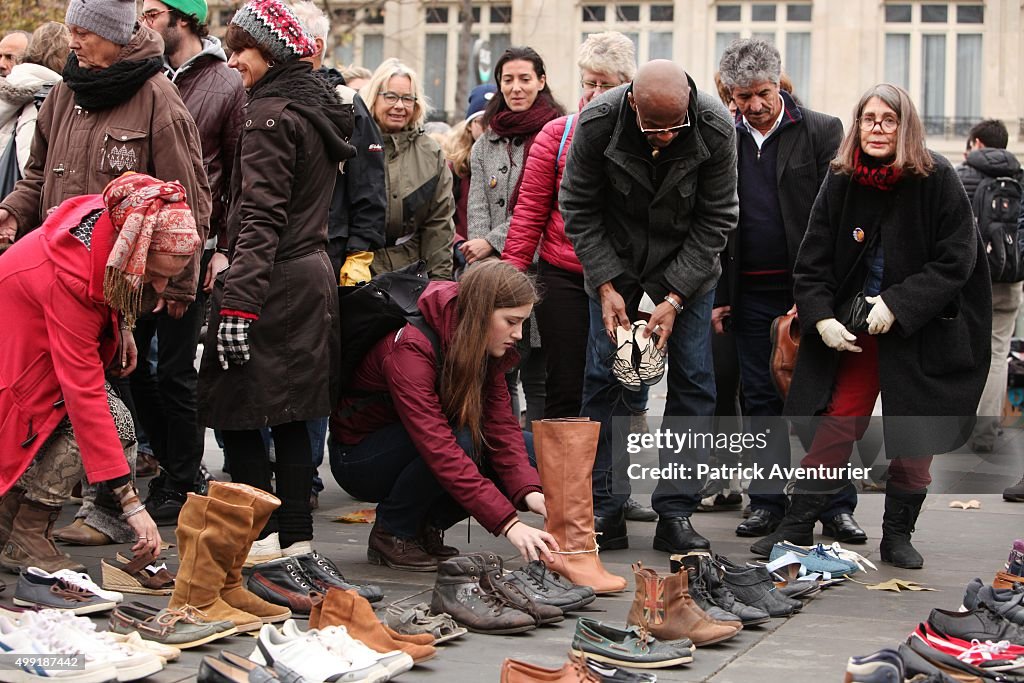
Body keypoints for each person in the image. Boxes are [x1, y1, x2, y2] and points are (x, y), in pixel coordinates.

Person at [753, 83, 991, 569]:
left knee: (914, 439)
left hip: (921, 329)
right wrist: (820, 318)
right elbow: (812, 259)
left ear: (906, 126)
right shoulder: (842, 177)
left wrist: (899, 305)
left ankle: (897, 536)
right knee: (839, 421)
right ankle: (796, 526)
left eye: (888, 119)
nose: (877, 129)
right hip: (857, 328)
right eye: (868, 119)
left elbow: (957, 259)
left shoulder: (937, 175)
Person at [197, 0, 354, 584]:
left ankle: (261, 543)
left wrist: (237, 301)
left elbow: (260, 217)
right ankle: (295, 546)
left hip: (268, 275)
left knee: (234, 409)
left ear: (274, 51)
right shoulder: (314, 106)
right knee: (292, 414)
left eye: (242, 48)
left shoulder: (267, 115)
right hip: (308, 275)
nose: (232, 59)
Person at [561, 60, 738, 553]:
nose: (662, 137)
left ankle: (676, 513)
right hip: (613, 260)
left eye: (673, 127)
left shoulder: (715, 127)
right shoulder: (598, 121)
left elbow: (718, 217)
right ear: (631, 103)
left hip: (689, 265)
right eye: (651, 127)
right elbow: (577, 204)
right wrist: (605, 285)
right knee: (604, 378)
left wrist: (677, 295)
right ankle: (604, 510)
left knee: (695, 382)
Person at [0, 172, 200, 572]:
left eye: (169, 278)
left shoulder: (115, 224)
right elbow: (85, 394)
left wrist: (122, 325)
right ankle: (27, 531)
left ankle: (13, 522)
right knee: (113, 422)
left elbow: (107, 283)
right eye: (154, 275)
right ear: (135, 254)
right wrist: (131, 504)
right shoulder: (69, 279)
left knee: (106, 422)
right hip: (19, 366)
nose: (160, 288)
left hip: (36, 353)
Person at [715, 39, 866, 545]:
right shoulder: (722, 135)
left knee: (821, 402)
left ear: (779, 82)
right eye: (742, 96)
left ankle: (836, 507)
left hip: (812, 292)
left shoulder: (823, 131)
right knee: (760, 400)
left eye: (762, 93)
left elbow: (837, 218)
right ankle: (767, 502)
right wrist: (718, 294)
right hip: (748, 294)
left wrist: (815, 294)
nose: (753, 106)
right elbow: (713, 221)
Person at [500, 31, 655, 522]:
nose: (592, 95)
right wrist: (510, 279)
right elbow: (529, 212)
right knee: (567, 385)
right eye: (587, 83)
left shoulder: (652, 138)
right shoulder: (558, 134)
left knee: (625, 386)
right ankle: (568, 498)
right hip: (566, 275)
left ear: (628, 89)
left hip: (628, 280)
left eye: (604, 85)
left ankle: (613, 493)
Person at [329, 260, 556, 571]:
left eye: (523, 323)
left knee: (530, 451)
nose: (518, 334)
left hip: (421, 443)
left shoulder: (482, 341)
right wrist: (509, 523)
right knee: (463, 439)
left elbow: (504, 430)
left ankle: (424, 526)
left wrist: (530, 492)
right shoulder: (411, 346)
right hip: (360, 459)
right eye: (511, 321)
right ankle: (392, 532)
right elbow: (438, 446)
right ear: (480, 313)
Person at [0, 0, 211, 300]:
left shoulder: (157, 96)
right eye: (71, 31)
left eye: (83, 33)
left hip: (128, 291)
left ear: (114, 33)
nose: (72, 43)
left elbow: (186, 197)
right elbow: (38, 176)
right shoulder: (63, 93)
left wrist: (177, 286)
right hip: (59, 277)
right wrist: (13, 211)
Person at [129, 0, 245, 526]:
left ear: (183, 18)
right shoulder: (141, 75)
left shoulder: (225, 83)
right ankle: (173, 463)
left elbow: (240, 177)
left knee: (177, 372)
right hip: (136, 249)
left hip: (191, 249)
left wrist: (223, 247)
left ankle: (181, 478)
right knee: (127, 366)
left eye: (152, 12)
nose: (142, 22)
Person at [290, 0, 387, 511]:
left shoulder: (347, 101)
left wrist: (360, 254)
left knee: (312, 370)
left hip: (329, 256)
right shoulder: (263, 97)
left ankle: (302, 477)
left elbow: (371, 189)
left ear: (315, 46)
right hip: (276, 256)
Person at [466, 46, 565, 428]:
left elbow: (543, 206)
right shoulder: (485, 143)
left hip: (543, 270)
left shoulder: (557, 133)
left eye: (525, 79)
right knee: (499, 375)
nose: (516, 87)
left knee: (538, 376)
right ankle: (505, 456)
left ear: (541, 81)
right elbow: (476, 206)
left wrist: (492, 240)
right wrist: (483, 260)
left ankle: (538, 463)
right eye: (508, 79)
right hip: (495, 278)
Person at [956, 119, 1024, 455]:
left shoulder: (961, 176)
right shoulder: (1019, 179)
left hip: (969, 282)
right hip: (1010, 281)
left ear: (978, 143)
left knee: (963, 351)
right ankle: (985, 434)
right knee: (998, 354)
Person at [360, 58, 454, 280]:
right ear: (374, 98)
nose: (399, 106)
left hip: (410, 271)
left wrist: (440, 283)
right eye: (391, 96)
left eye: (407, 98)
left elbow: (439, 224)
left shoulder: (430, 153)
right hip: (357, 269)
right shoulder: (353, 144)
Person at [0, 23, 68, 180]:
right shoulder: (41, 101)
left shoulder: (17, 94)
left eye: (9, 57)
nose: (2, 64)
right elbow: (30, 169)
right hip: (15, 200)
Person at [445, 83, 495, 275]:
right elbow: (441, 216)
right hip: (463, 256)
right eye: (482, 121)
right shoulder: (456, 168)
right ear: (469, 126)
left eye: (494, 120)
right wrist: (459, 244)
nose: (488, 128)